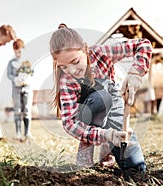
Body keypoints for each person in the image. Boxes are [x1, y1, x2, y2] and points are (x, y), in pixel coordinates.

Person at [49, 28, 152, 171]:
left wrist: (136, 72)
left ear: (85, 49)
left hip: (114, 105)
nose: (72, 71)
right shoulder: (66, 81)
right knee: (101, 98)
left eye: (75, 61)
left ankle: (106, 150)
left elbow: (143, 44)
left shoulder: (100, 53)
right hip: (90, 113)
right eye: (64, 67)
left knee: (137, 168)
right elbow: (69, 123)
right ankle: (89, 148)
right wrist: (105, 134)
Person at [7, 39, 34, 140]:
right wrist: (15, 79)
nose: (18, 53)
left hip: (27, 87)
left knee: (26, 109)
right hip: (16, 88)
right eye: (16, 51)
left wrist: (26, 77)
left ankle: (27, 133)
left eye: (19, 51)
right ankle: (18, 132)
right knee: (17, 109)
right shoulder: (11, 62)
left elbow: (32, 72)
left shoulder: (27, 61)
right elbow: (9, 74)